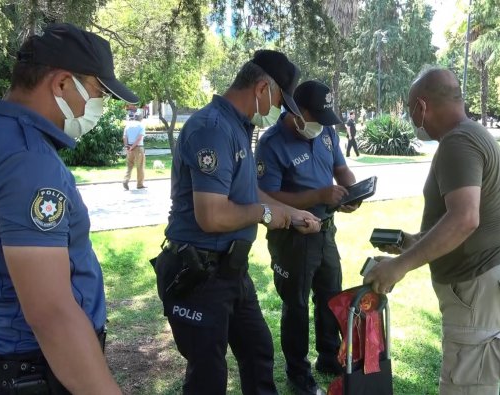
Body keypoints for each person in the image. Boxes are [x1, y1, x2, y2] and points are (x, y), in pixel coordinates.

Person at [0, 23, 138, 394]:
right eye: (98, 94)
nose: (98, 108)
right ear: (62, 84)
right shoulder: (28, 159)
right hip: (34, 366)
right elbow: (51, 314)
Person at [153, 50, 321, 395]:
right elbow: (212, 215)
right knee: (207, 376)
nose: (278, 111)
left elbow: (249, 194)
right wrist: (265, 214)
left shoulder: (237, 127)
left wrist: (293, 214)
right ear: (261, 88)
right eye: (278, 100)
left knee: (258, 351)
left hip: (231, 270)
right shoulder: (213, 129)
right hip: (200, 272)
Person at [364, 67, 500, 395]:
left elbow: (464, 219)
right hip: (491, 285)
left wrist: (399, 267)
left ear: (421, 106)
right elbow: (466, 219)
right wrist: (415, 243)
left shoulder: (458, 142)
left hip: (480, 291)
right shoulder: (470, 134)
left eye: (411, 107)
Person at [256, 80, 359, 395]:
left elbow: (342, 171)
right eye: (317, 118)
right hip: (293, 237)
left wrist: (351, 193)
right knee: (296, 304)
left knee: (331, 296)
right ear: (297, 113)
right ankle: (298, 371)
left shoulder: (326, 131)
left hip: (326, 230)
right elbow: (268, 196)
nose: (323, 126)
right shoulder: (272, 143)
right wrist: (319, 194)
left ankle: (329, 356)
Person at [123, 113, 146, 190]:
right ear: (141, 118)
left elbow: (124, 137)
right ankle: (139, 184)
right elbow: (139, 138)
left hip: (129, 147)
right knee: (140, 166)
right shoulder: (141, 125)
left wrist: (127, 147)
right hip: (138, 147)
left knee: (129, 166)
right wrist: (133, 147)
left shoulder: (128, 125)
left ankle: (125, 180)